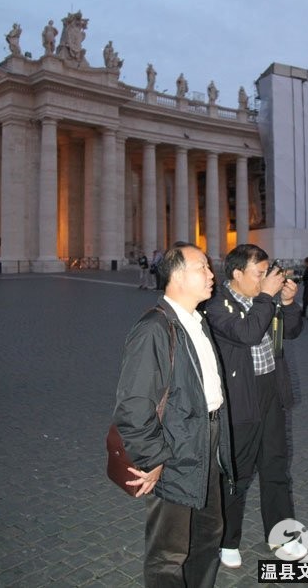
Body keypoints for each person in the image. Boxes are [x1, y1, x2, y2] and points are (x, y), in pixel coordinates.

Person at [112, 243, 233, 587]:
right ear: (177, 276)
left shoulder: (196, 321)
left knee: (208, 534)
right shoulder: (154, 327)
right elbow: (134, 404)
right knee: (169, 551)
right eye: (202, 268)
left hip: (207, 443)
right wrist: (152, 457)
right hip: (174, 449)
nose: (211, 275)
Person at [204, 244, 303, 569]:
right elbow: (247, 333)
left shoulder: (265, 300)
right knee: (237, 472)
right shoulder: (217, 305)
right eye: (259, 273)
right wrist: (267, 297)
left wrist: (287, 303)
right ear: (237, 273)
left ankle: (282, 535)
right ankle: (227, 540)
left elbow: (290, 332)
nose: (265, 279)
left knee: (276, 467)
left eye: (266, 272)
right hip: (240, 397)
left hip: (270, 392)